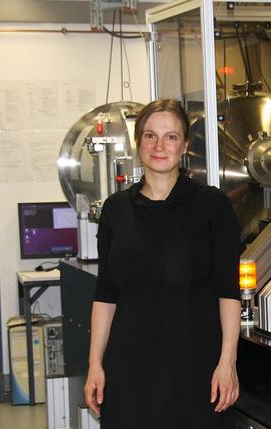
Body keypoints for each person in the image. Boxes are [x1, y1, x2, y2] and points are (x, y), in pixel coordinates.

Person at [84, 99, 242, 428]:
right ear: (138, 142)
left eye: (170, 137)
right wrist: (95, 364)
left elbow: (229, 291)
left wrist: (228, 362)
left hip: (195, 366)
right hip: (128, 369)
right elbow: (106, 294)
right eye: (150, 136)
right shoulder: (116, 210)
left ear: (184, 145)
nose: (159, 146)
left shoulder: (212, 206)